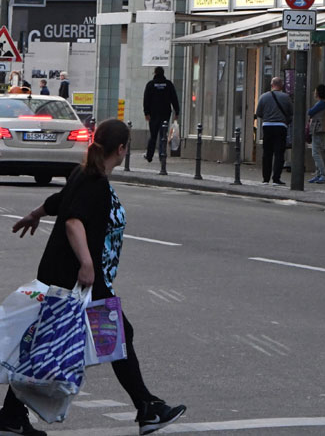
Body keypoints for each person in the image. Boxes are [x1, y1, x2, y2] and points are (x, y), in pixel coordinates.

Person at [0, 118, 185, 436]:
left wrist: (35, 214)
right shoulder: (95, 181)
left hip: (65, 276)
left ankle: (11, 416)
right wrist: (87, 263)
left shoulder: (83, 173)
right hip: (79, 279)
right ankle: (147, 408)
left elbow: (61, 202)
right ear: (122, 149)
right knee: (118, 334)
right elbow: (73, 221)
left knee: (53, 340)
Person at [255, 77, 293, 185]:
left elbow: (259, 113)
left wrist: (267, 117)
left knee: (267, 153)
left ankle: (265, 179)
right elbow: (291, 112)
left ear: (271, 85)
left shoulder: (263, 97)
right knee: (279, 153)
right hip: (281, 126)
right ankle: (276, 178)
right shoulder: (286, 97)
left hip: (267, 126)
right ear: (281, 86)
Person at [142, 68, 180, 164]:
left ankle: (149, 156)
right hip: (165, 113)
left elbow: (146, 99)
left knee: (153, 135)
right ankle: (162, 155)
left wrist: (146, 113)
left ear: (155, 73)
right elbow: (174, 98)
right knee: (163, 135)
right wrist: (177, 111)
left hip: (153, 114)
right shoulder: (168, 84)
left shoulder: (150, 84)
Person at [307, 84, 325, 184]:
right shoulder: (323, 103)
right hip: (319, 128)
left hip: (318, 128)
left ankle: (323, 174)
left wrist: (309, 111)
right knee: (317, 152)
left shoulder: (321, 103)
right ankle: (318, 174)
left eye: (315, 91)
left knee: (315, 153)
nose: (314, 93)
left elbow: (310, 112)